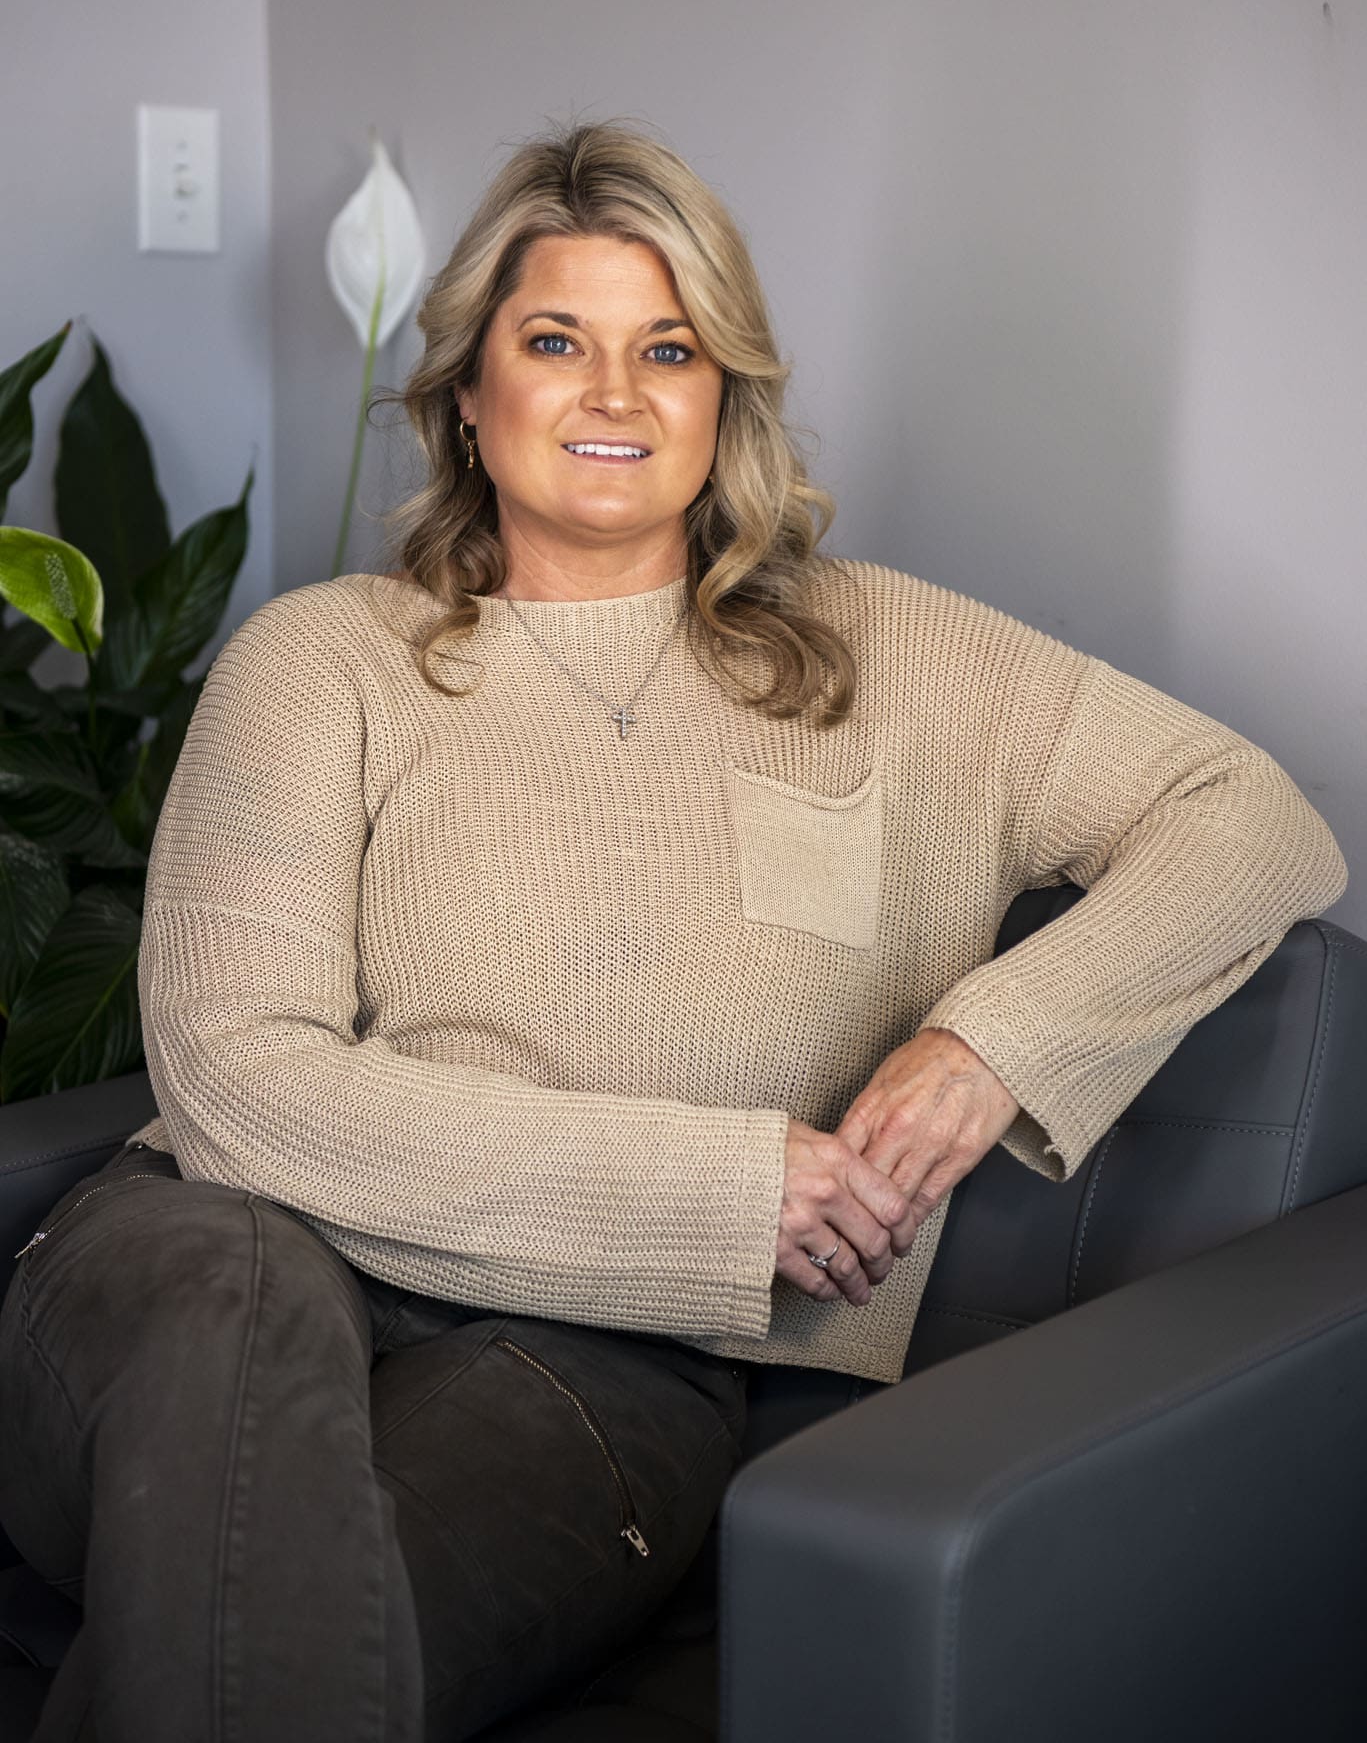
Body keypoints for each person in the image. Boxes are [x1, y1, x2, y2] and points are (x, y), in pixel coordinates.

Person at [0, 118, 1347, 1743]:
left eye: (670, 349)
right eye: (555, 341)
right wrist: (723, 1188)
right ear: (468, 392)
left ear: (725, 399)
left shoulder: (885, 654)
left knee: (282, 1633)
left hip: (607, 1350)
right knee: (231, 1357)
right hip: (221, 1254)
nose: (617, 394)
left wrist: (988, 1045)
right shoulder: (320, 662)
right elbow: (240, 1084)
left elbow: (1247, 815)